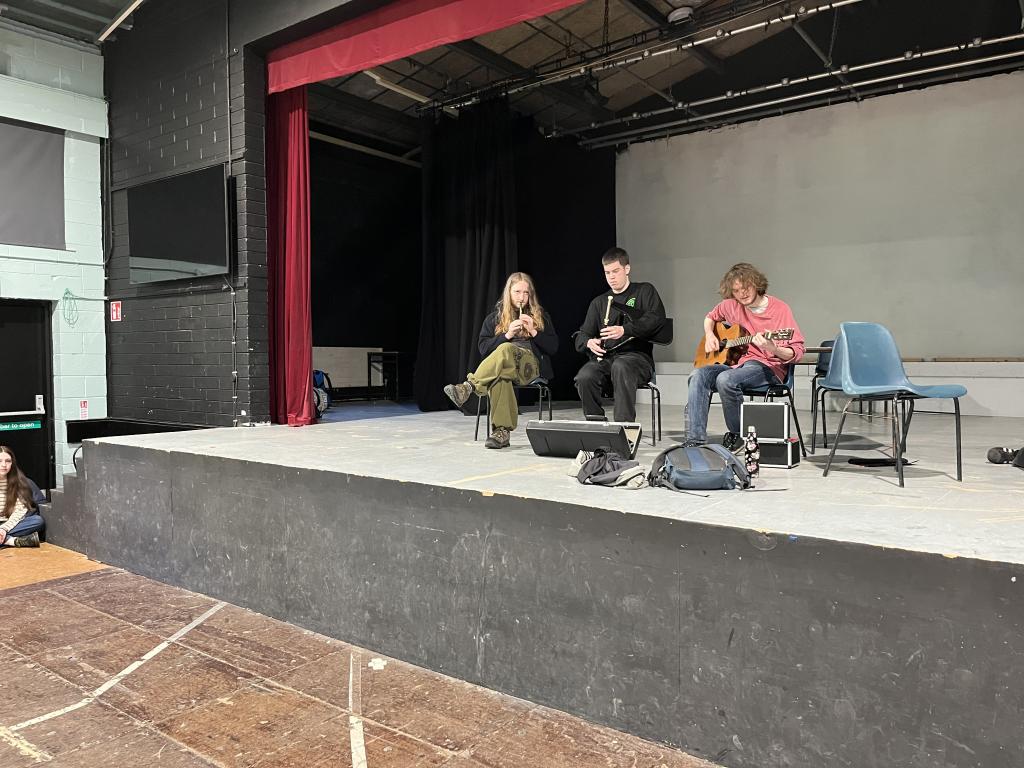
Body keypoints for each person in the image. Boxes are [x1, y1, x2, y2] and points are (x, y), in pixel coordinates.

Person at [684, 262, 804, 451]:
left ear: (756, 284)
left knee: (726, 379)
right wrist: (710, 335)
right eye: (736, 290)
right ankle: (695, 441)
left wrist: (773, 348)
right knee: (698, 375)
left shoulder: (780, 309)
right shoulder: (731, 305)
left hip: (768, 368)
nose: (742, 294)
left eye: (746, 288)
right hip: (737, 365)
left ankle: (738, 435)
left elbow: (796, 352)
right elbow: (710, 317)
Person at [444, 272, 558, 449]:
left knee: (505, 349)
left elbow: (553, 347)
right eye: (517, 292)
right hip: (506, 367)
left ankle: (469, 387)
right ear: (508, 293)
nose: (521, 297)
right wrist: (507, 334)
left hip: (530, 368)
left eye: (526, 293)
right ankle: (501, 432)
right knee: (500, 376)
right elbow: (483, 348)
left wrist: (534, 331)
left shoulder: (540, 316)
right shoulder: (495, 318)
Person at [574, 247, 667, 423]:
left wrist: (625, 330)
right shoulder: (599, 302)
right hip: (608, 359)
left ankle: (624, 428)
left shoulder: (644, 291)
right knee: (584, 377)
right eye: (607, 272)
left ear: (627, 269)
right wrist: (588, 342)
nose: (611, 277)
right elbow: (582, 335)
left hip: (638, 359)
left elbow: (656, 320)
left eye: (615, 271)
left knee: (621, 366)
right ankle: (597, 425)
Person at [0, 445, 45, 548]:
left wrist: (3, 529)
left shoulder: (19, 483)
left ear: (12, 463)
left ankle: (4, 538)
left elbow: (19, 512)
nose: (4, 465)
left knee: (37, 521)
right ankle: (11, 541)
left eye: (8, 461)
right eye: (0, 461)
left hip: (12, 524)